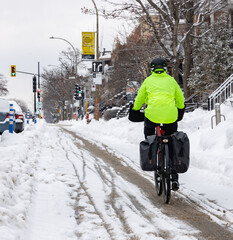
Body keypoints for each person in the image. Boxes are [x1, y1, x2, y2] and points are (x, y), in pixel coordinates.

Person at [131, 57, 185, 191]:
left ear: (152, 69)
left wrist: (135, 110)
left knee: (149, 135)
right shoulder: (171, 81)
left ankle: (152, 155)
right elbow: (180, 100)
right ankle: (174, 177)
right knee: (172, 140)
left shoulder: (148, 81)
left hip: (152, 116)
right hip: (170, 116)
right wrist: (179, 110)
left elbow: (139, 99)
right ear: (165, 68)